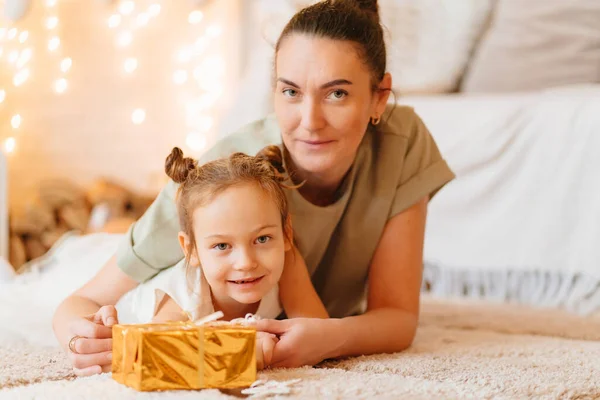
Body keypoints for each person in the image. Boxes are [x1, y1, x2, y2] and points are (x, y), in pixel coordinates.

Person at [53, 0, 455, 375]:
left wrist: (329, 337)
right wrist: (81, 337)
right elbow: (81, 302)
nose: (310, 121)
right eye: (291, 91)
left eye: (337, 93)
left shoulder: (404, 142)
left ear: (379, 98)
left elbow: (398, 317)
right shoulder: (222, 183)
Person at [113, 146, 328, 369]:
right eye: (222, 245)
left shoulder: (287, 263)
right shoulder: (183, 295)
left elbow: (320, 334)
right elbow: (153, 352)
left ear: (286, 234)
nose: (246, 263)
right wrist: (240, 348)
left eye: (262, 239)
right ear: (191, 249)